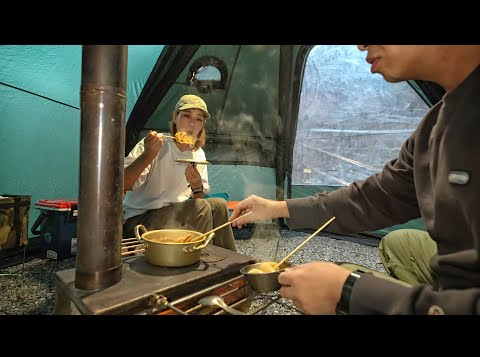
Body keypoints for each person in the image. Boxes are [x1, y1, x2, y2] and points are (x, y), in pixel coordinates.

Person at [229, 45, 480, 315]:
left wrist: (350, 293)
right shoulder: (436, 123)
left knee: (342, 278)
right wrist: (278, 208)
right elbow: (377, 197)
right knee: (399, 243)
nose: (360, 45)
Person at [123, 94, 237, 252]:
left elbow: (198, 197)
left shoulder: (198, 154)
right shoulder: (155, 145)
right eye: (186, 116)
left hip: (174, 216)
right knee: (200, 208)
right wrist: (147, 155)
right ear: (175, 117)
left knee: (219, 205)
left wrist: (197, 186)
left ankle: (228, 259)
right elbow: (122, 184)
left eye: (199, 119)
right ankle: (201, 260)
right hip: (139, 221)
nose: (192, 124)